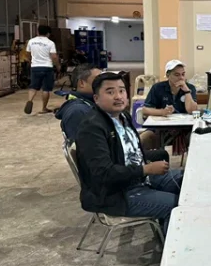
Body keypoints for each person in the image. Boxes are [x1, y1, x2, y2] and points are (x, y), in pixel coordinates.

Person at [75, 73, 182, 235]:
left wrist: (146, 166)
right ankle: (171, 246)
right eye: (110, 92)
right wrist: (145, 169)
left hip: (139, 179)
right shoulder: (92, 128)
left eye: (122, 90)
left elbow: (129, 152)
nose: (118, 96)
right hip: (117, 194)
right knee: (177, 206)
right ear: (96, 98)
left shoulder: (123, 116)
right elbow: (103, 173)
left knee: (186, 180)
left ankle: (164, 227)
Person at [142, 60, 198, 149]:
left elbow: (192, 110)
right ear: (168, 75)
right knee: (142, 139)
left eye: (183, 74)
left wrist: (187, 91)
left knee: (196, 138)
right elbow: (145, 110)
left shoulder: (190, 88)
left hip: (185, 129)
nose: (181, 78)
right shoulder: (157, 88)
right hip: (161, 129)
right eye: (177, 75)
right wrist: (162, 112)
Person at [55, 63, 102, 142]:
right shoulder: (79, 111)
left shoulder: (89, 104)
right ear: (82, 83)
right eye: (98, 80)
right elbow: (85, 146)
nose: (104, 83)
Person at [24, 25, 60, 115]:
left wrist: (31, 61)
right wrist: (58, 65)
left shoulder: (31, 41)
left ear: (37, 32)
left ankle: (30, 100)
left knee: (33, 87)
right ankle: (44, 108)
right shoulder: (50, 43)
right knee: (46, 89)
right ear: (48, 33)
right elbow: (54, 56)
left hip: (35, 67)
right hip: (47, 67)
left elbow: (27, 54)